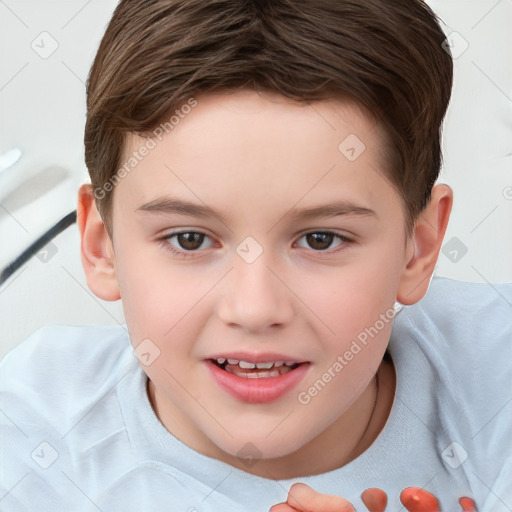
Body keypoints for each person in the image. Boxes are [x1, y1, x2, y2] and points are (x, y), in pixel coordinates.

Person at [1, 1, 511, 511]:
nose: (254, 308)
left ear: (417, 248)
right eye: (190, 240)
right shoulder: (28, 442)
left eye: (321, 240)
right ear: (101, 245)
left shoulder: (496, 374)